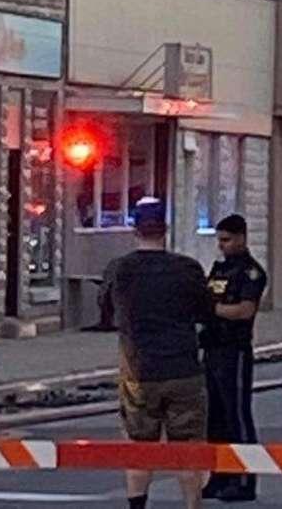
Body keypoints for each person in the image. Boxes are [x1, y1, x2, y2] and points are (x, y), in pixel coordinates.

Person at [101, 198, 212, 509]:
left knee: (139, 446)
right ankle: (192, 504)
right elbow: (206, 312)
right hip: (183, 368)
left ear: (136, 230)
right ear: (165, 229)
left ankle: (138, 505)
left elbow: (105, 313)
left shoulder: (119, 270)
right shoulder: (187, 269)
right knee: (188, 448)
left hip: (139, 370)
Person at [201, 215, 269, 503]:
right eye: (219, 240)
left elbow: (244, 310)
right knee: (214, 419)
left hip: (235, 350)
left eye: (227, 240)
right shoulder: (219, 269)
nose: (222, 245)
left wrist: (211, 310)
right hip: (212, 349)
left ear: (241, 237)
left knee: (237, 416)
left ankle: (244, 480)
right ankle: (220, 475)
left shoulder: (250, 272)